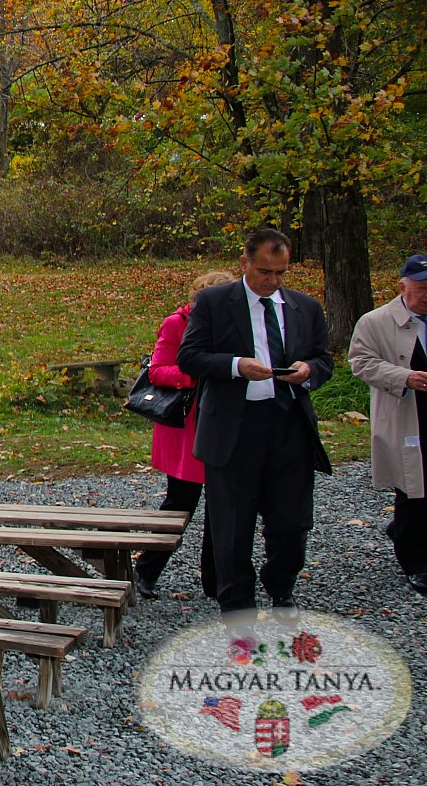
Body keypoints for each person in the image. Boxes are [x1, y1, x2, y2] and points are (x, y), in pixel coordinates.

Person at [177, 228, 333, 616]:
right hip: (234, 427)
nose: (272, 281)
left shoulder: (305, 308)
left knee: (292, 522)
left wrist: (308, 370)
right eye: (265, 271)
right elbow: (190, 357)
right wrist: (235, 367)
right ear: (244, 263)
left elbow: (324, 361)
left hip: (289, 425)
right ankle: (236, 600)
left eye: (281, 273)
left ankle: (281, 585)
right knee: (231, 524)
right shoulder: (215, 302)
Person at [131, 270, 235, 600]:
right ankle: (146, 571)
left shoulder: (237, 326)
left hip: (225, 423)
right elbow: (158, 371)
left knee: (223, 507)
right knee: (181, 504)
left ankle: (216, 580)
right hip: (187, 427)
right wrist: (197, 373)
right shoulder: (176, 323)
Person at [347, 252, 427, 597]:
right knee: (412, 487)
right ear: (402, 287)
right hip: (405, 411)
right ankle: (415, 563)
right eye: (422, 288)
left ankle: (403, 532)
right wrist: (404, 377)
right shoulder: (375, 321)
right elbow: (361, 363)